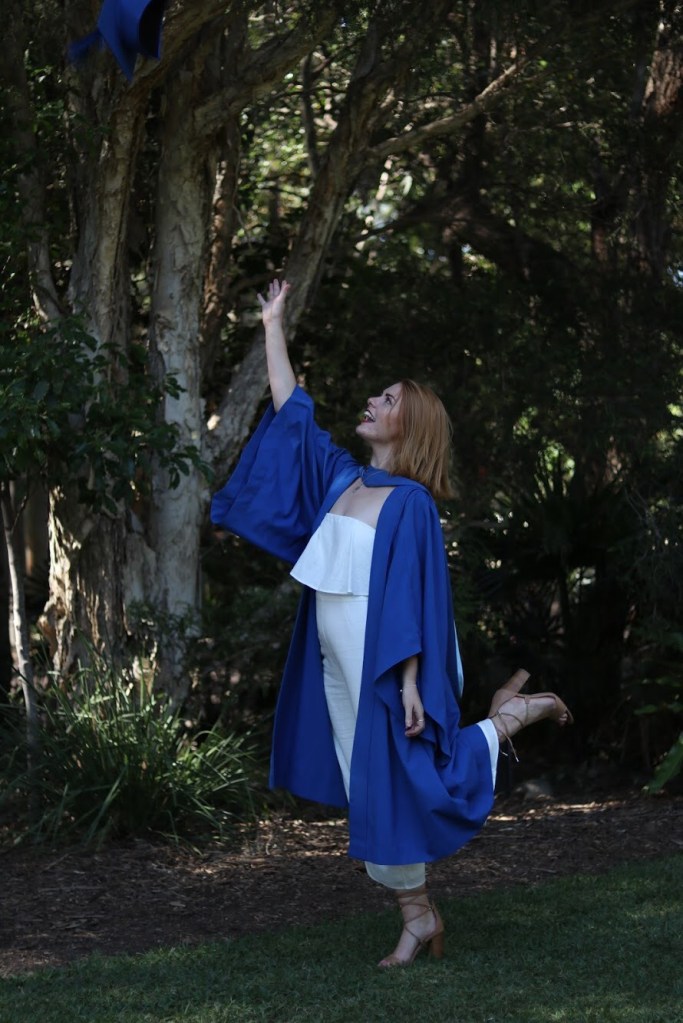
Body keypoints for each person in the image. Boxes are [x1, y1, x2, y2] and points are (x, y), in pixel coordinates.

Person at [211, 279, 573, 968]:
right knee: (368, 789)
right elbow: (293, 413)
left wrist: (408, 681)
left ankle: (506, 721)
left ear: (409, 426)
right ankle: (418, 913)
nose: (373, 403)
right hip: (329, 655)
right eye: (377, 396)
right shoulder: (342, 479)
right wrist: (272, 325)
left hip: (380, 656)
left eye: (387, 400)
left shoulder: (409, 502)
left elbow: (412, 596)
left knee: (406, 778)